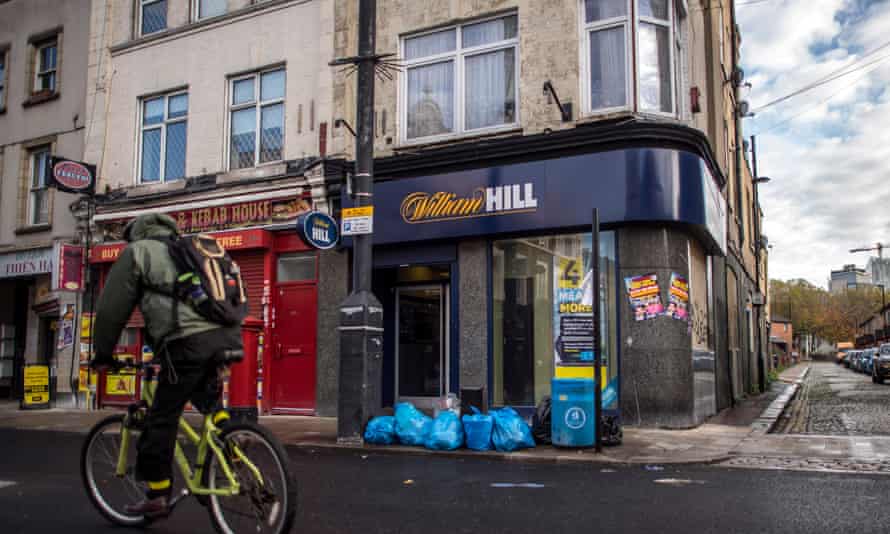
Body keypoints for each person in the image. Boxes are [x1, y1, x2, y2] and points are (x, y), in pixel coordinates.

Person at [90, 214, 242, 518]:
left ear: (135, 234)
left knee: (161, 417)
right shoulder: (189, 248)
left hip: (184, 343)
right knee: (208, 398)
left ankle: (157, 493)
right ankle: (233, 444)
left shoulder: (138, 251)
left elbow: (111, 309)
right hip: (226, 336)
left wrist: (103, 353)